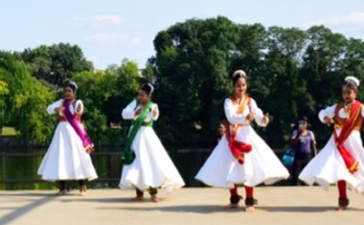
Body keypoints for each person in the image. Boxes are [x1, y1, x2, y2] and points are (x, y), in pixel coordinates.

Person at [195, 70, 288, 212]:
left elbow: (258, 116)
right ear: (233, 86)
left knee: (247, 168)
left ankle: (250, 201)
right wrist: (246, 117)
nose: (241, 88)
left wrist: (263, 120)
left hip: (246, 136)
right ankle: (234, 199)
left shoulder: (250, 101)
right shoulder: (228, 101)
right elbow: (231, 117)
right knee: (230, 167)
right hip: (232, 136)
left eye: (243, 85)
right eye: (238, 85)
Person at [299, 76, 364, 211]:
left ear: (355, 93)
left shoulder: (360, 108)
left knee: (358, 169)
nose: (346, 95)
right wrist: (326, 118)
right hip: (336, 142)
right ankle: (342, 202)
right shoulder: (337, 107)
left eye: (349, 92)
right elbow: (322, 113)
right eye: (344, 92)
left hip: (352, 142)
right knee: (339, 170)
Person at [118, 83, 185, 202]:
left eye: (143, 95)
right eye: (139, 95)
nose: (140, 97)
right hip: (134, 136)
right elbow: (124, 113)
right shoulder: (134, 103)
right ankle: (139, 193)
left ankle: (153, 193)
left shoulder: (153, 105)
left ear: (149, 96)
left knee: (150, 163)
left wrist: (154, 114)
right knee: (136, 163)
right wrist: (134, 113)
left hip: (146, 136)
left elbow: (155, 117)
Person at [38, 81, 97, 196]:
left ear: (74, 93)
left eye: (69, 91)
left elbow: (76, 113)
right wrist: (56, 109)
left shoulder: (78, 102)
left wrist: (64, 110)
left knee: (77, 157)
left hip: (74, 132)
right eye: (65, 91)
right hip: (61, 132)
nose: (67, 93)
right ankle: (62, 187)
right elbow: (48, 109)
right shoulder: (61, 102)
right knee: (61, 158)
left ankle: (82, 185)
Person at [290, 117, 317, 185]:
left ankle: (304, 189)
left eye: (304, 123)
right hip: (298, 156)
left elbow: (313, 145)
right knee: (295, 175)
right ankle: (293, 189)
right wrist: (299, 134)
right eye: (301, 123)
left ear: (306, 124)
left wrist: (315, 155)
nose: (302, 125)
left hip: (307, 156)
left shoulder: (310, 133)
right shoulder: (295, 132)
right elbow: (293, 143)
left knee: (305, 176)